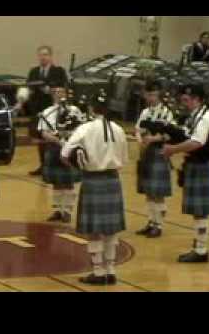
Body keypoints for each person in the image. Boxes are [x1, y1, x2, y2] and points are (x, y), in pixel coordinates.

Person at [61, 91, 128, 286]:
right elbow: (123, 161)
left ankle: (98, 272)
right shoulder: (119, 129)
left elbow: (64, 155)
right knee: (111, 229)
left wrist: (78, 164)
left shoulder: (84, 129)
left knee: (94, 230)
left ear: (91, 109)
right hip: (113, 179)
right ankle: (111, 270)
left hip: (92, 180)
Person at [162, 84, 209, 263]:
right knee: (198, 211)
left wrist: (173, 149)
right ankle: (199, 248)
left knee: (201, 210)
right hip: (195, 164)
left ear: (197, 99)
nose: (184, 103)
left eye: (187, 100)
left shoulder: (204, 118)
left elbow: (197, 142)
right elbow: (187, 135)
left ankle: (201, 250)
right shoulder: (195, 116)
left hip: (201, 165)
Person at [135, 80, 174, 238]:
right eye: (148, 94)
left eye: (153, 94)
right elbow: (138, 129)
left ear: (159, 95)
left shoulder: (166, 112)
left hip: (159, 152)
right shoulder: (145, 112)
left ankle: (159, 225)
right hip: (146, 153)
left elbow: (170, 133)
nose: (150, 97)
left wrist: (153, 139)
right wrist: (140, 140)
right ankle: (151, 222)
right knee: (149, 191)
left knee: (158, 192)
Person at [38, 85, 82, 223]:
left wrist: (68, 139)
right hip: (54, 148)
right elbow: (43, 132)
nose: (59, 94)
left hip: (70, 148)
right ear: (52, 95)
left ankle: (67, 211)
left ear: (66, 94)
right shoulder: (47, 112)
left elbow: (80, 129)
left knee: (68, 182)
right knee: (56, 182)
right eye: (56, 92)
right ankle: (57, 210)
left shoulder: (74, 111)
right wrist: (58, 140)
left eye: (61, 91)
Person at [26, 46, 68, 176]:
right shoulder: (33, 72)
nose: (43, 57)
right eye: (40, 55)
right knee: (40, 139)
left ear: (50, 56)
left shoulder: (58, 71)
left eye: (45, 55)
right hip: (38, 110)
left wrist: (50, 90)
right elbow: (28, 86)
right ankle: (43, 165)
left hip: (53, 109)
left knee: (54, 138)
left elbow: (63, 87)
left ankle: (57, 164)